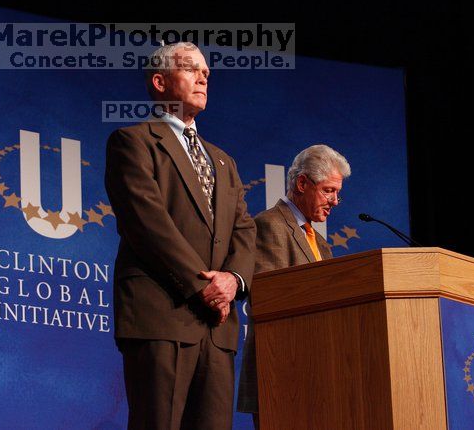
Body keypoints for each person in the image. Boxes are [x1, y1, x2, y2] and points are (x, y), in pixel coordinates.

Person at [105, 41, 256, 430]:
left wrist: (232, 280)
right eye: (191, 68)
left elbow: (244, 229)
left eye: (206, 71)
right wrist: (201, 285)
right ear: (159, 81)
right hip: (162, 314)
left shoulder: (224, 161)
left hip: (217, 325)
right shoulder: (133, 142)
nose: (204, 76)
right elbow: (147, 224)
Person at [237, 144, 351, 428]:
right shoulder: (269, 225)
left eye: (338, 192)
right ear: (302, 183)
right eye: (329, 190)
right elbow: (269, 301)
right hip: (283, 374)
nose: (336, 201)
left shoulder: (321, 244)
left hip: (318, 372)